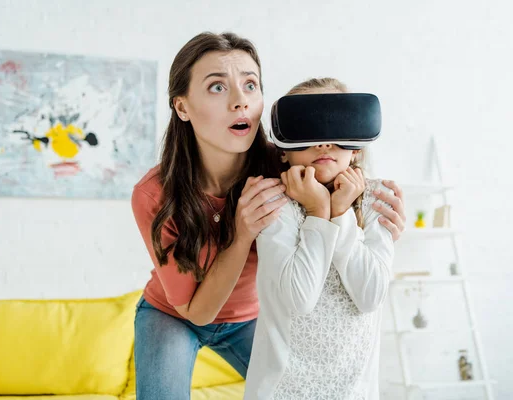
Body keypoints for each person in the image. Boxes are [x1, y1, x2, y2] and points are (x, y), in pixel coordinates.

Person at [131, 32, 406, 399]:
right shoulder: (154, 194)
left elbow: (340, 169)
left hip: (251, 317)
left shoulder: (287, 165)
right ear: (182, 107)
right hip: (174, 316)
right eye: (217, 87)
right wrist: (242, 235)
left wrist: (380, 217)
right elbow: (197, 312)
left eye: (250, 85)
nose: (239, 101)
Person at [244, 78, 394, 400]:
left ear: (356, 148)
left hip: (354, 392)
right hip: (283, 392)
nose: (324, 143)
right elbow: (299, 299)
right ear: (284, 152)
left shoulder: (377, 199)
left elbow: (370, 295)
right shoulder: (274, 203)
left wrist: (341, 214)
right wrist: (318, 211)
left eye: (337, 130)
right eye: (310, 128)